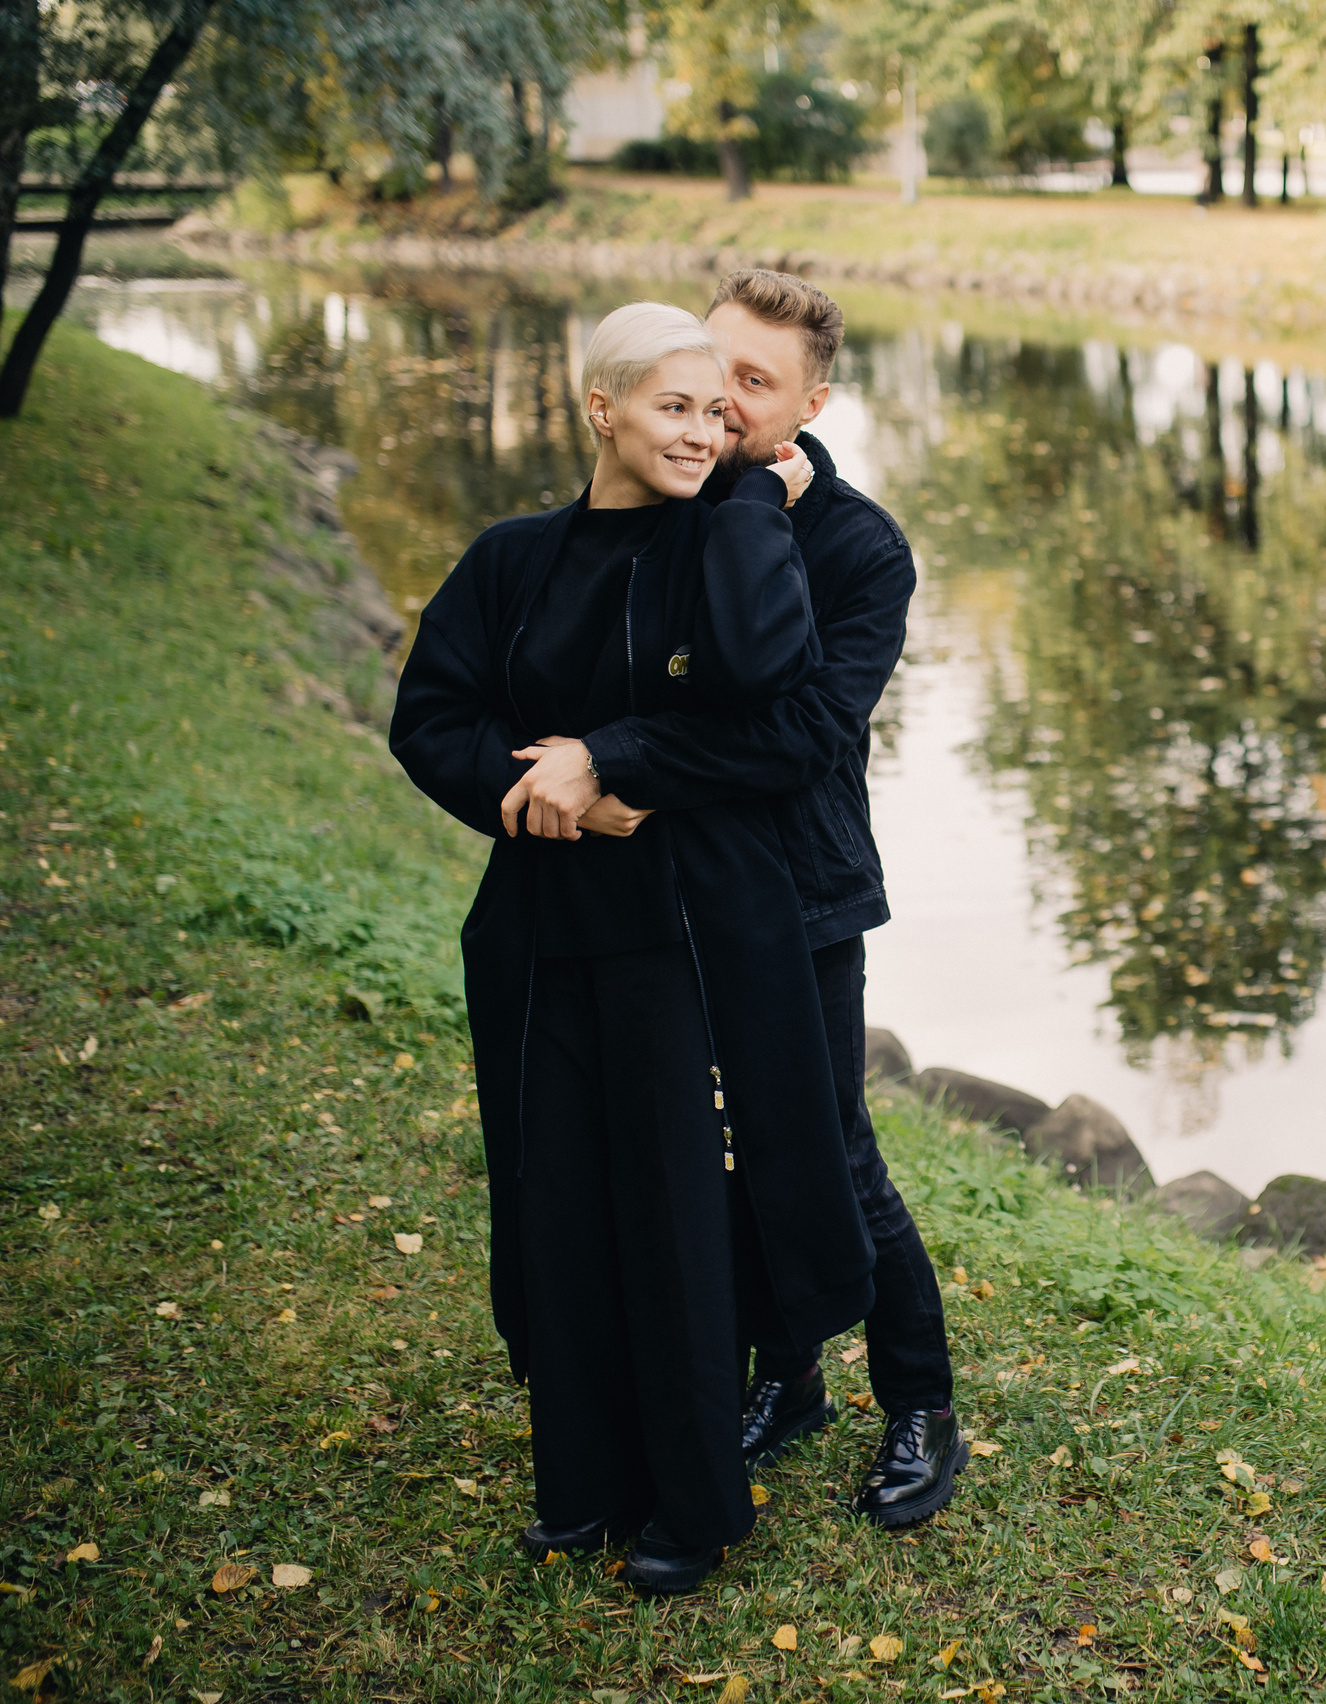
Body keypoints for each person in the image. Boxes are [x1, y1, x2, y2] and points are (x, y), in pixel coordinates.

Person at [389, 302, 878, 1594]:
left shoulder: (731, 536)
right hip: (543, 925)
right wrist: (536, 785)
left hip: (693, 931)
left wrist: (625, 750)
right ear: (600, 408)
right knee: (555, 1203)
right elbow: (434, 714)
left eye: (722, 412)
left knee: (671, 1213)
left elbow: (780, 716)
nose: (704, 430)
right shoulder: (513, 556)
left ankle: (693, 1506)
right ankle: (580, 1484)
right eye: (676, 406)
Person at [491, 270, 962, 1528]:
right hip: (658, 890)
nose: (728, 407)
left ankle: (919, 1401)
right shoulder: (664, 497)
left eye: (758, 384)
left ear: (813, 400)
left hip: (798, 890)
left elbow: (799, 733)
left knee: (828, 1151)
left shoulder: (858, 547)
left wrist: (619, 760)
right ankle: (786, 1375)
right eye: (713, 371)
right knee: (704, 1154)